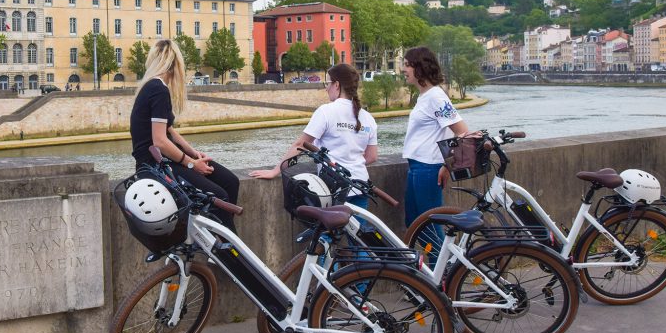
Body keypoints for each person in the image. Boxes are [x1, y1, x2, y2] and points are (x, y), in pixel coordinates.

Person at [130, 39, 240, 230]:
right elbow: (160, 142)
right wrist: (190, 164)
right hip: (156, 165)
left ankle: (222, 239)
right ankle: (225, 248)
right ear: (175, 65)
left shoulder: (153, 87)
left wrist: (194, 154)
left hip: (167, 161)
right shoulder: (158, 89)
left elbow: (169, 130)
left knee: (231, 181)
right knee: (218, 196)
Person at [250, 64, 378, 208]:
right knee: (356, 230)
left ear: (337, 85)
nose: (326, 88)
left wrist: (275, 171)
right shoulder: (368, 117)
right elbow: (372, 156)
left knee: (327, 230)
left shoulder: (326, 111)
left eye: (327, 83)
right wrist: (351, 164)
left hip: (335, 189)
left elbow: (300, 145)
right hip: (361, 186)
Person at [401, 46, 470, 226]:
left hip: (428, 167)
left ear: (420, 67)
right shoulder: (424, 96)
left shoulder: (436, 97)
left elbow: (462, 132)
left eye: (408, 65)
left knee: (429, 226)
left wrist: (448, 165)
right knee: (415, 225)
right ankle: (435, 255)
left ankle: (440, 255)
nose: (403, 69)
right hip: (417, 165)